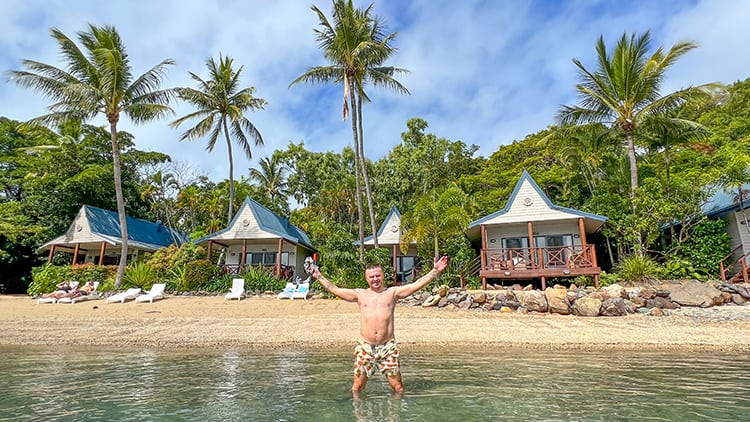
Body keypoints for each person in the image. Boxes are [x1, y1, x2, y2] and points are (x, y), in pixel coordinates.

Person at [310, 255, 449, 393]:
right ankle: (359, 414)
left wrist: (435, 271)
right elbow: (335, 289)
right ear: (367, 278)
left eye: (377, 276)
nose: (375, 279)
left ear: (382, 276)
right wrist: (318, 276)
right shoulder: (360, 294)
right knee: (357, 388)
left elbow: (416, 285)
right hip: (365, 347)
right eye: (372, 277)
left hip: (388, 347)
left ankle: (394, 414)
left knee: (398, 388)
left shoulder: (392, 293)